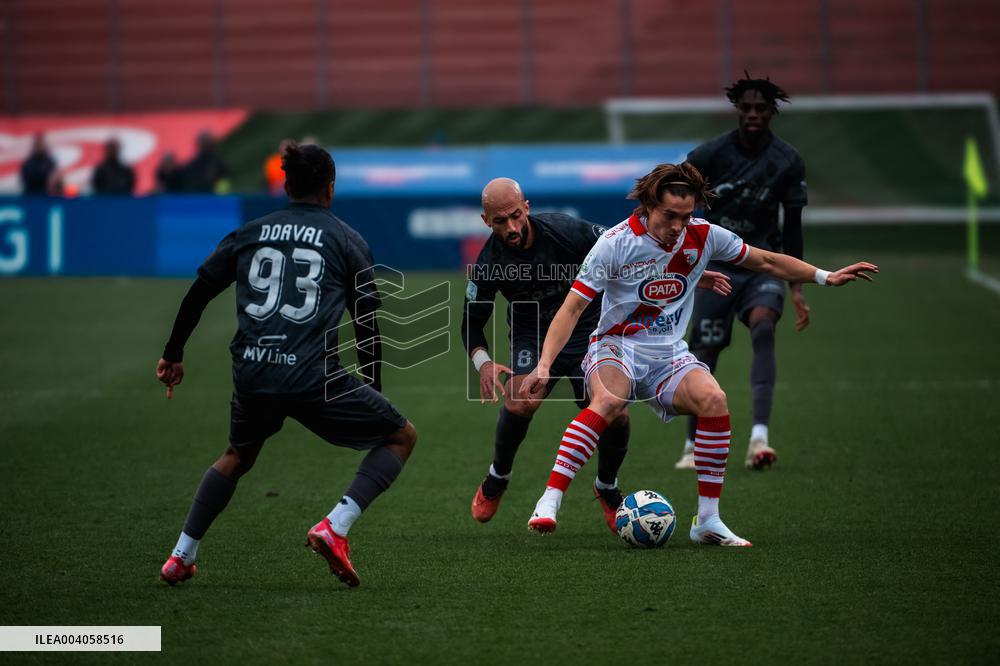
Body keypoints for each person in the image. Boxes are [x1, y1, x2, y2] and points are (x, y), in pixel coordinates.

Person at [524, 162, 876, 545]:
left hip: (668, 355)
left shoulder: (704, 236)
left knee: (714, 400)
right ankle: (550, 499)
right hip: (615, 345)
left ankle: (707, 521)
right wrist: (544, 365)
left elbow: (767, 260)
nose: (678, 225)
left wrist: (826, 276)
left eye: (686, 216)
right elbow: (572, 309)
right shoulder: (614, 242)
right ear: (649, 205)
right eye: (669, 215)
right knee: (608, 400)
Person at [155, 142, 417, 587]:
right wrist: (372, 387)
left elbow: (200, 289)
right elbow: (368, 322)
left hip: (254, 371)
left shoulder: (251, 231)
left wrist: (173, 352)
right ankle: (335, 527)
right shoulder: (346, 239)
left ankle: (181, 555)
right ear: (330, 188)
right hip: (312, 375)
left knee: (237, 455)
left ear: (286, 184)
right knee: (401, 436)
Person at [463, 178, 731, 532]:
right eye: (500, 221)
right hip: (532, 333)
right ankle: (498, 476)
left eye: (516, 216)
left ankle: (607, 486)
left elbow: (630, 249)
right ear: (486, 221)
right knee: (518, 402)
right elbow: (470, 324)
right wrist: (483, 363)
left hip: (588, 328)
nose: (511, 227)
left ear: (526, 207)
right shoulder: (488, 263)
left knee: (615, 411)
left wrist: (688, 272)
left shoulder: (564, 230)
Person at [676, 72, 808, 472]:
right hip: (716, 267)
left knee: (764, 327)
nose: (753, 114)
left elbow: (794, 227)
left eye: (761, 108)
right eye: (746, 108)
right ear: (737, 110)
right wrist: (686, 266)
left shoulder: (787, 161)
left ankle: (759, 438)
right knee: (705, 351)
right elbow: (678, 206)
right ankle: (691, 444)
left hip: (763, 264)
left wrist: (797, 287)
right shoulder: (708, 157)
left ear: (771, 112)